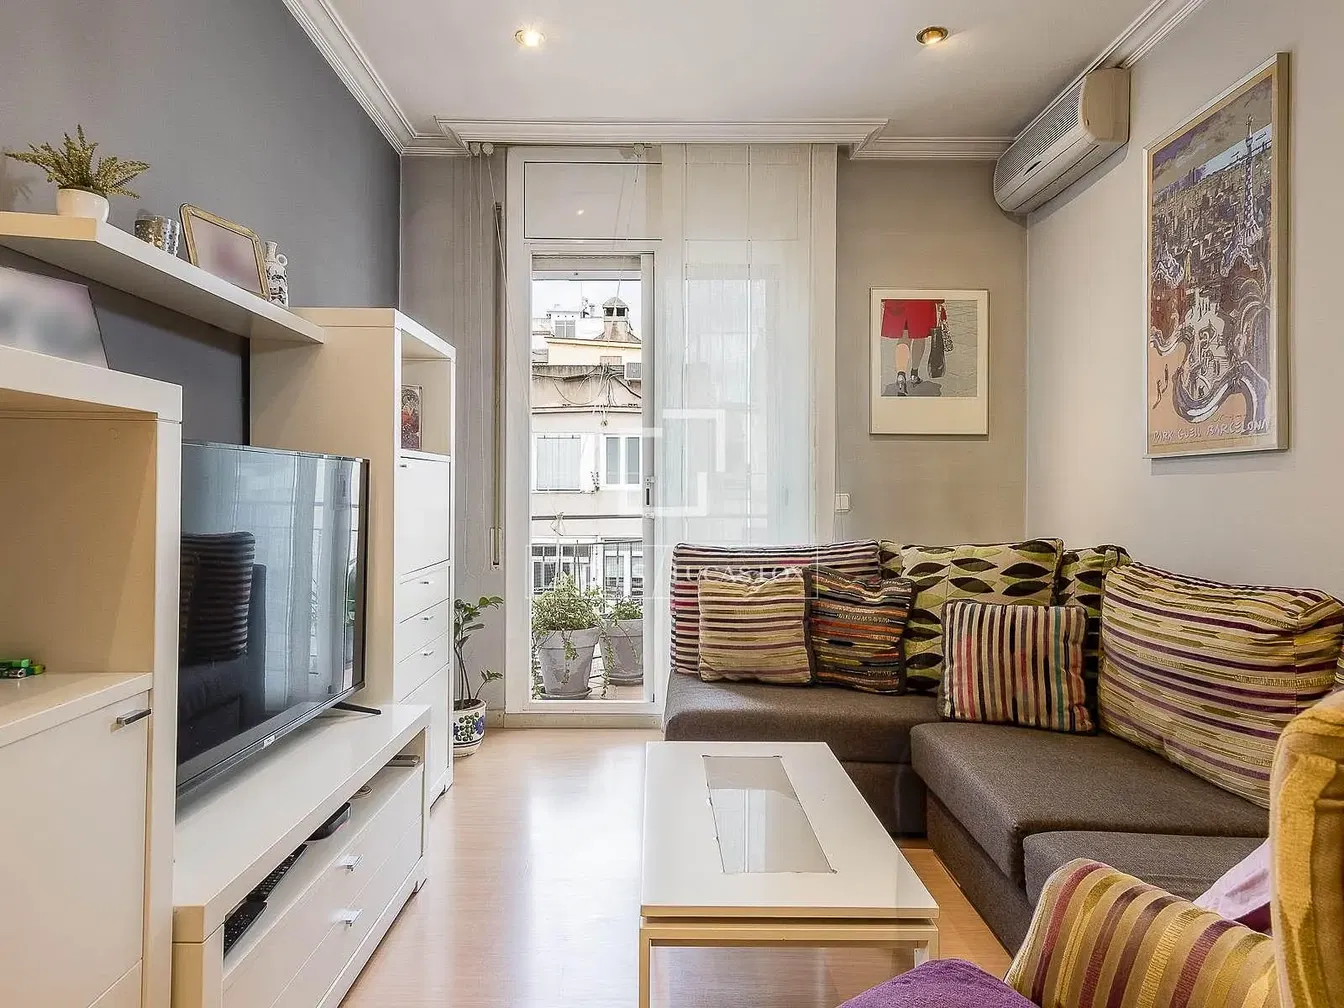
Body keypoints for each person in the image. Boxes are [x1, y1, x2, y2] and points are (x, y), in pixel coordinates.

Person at [881, 298, 946, 395]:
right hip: (921, 299)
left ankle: (901, 375)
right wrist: (940, 301)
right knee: (919, 336)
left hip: (899, 298)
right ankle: (914, 374)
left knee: (904, 338)